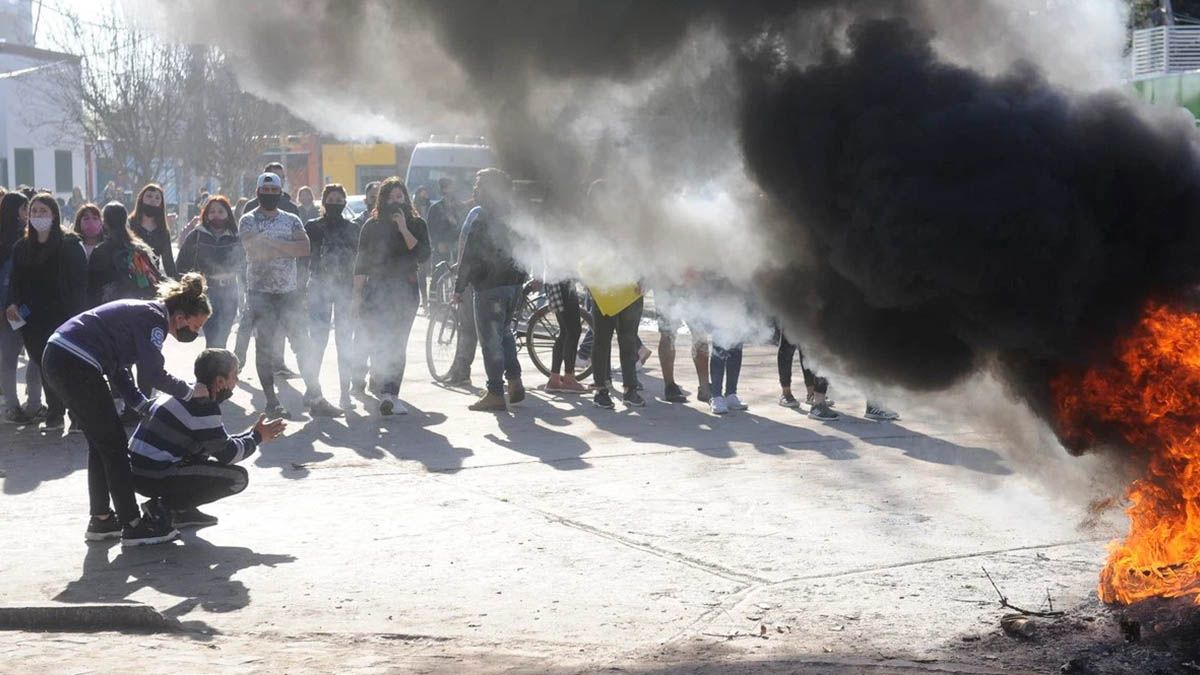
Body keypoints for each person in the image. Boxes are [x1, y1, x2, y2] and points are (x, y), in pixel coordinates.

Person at [42, 273, 211, 547]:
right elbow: (153, 373)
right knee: (114, 445)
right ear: (181, 317)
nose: (196, 331)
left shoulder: (147, 314)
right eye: (197, 325)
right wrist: (190, 391)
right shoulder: (155, 320)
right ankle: (133, 525)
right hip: (75, 362)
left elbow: (118, 367)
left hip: (62, 357)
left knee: (102, 443)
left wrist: (140, 403)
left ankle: (102, 519)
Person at [129, 348, 286, 528]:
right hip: (152, 475)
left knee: (203, 454)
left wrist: (252, 434)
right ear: (220, 381)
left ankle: (181, 509)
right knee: (237, 478)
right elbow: (229, 454)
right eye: (235, 375)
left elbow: (218, 443)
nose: (237, 381)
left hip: (136, 472)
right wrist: (257, 437)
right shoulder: (203, 405)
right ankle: (166, 508)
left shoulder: (183, 391)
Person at [239, 172, 335, 418]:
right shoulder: (248, 220)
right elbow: (254, 251)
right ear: (258, 192)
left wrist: (270, 243)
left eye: (274, 191)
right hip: (260, 294)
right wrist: (286, 247)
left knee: (303, 346)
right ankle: (272, 402)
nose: (270, 195)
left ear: (281, 193)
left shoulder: (291, 219)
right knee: (264, 348)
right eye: (266, 191)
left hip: (289, 294)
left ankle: (316, 397)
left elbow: (304, 248)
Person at [5, 193, 88, 432]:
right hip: (32, 319)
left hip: (64, 316)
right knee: (45, 366)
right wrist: (12, 303)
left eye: (43, 211)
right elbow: (15, 280)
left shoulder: (69, 244)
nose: (38, 215)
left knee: (67, 367)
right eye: (34, 211)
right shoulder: (22, 247)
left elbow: (79, 284)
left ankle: (77, 414)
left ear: (54, 215)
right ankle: (55, 413)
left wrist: (78, 316)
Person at [353, 177, 430, 415]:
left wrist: (404, 228)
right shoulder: (372, 226)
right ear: (382, 200)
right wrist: (356, 296)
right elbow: (361, 264)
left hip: (405, 290)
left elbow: (423, 255)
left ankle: (390, 394)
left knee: (398, 343)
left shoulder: (417, 224)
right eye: (391, 197)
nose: (396, 202)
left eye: (400, 196)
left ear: (406, 198)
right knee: (380, 341)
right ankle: (381, 384)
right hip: (377, 291)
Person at [453, 169, 526, 412]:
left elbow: (469, 256)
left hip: (489, 287)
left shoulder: (482, 217)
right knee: (505, 333)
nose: (475, 189)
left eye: (479, 185)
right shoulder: (513, 214)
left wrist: (459, 287)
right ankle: (514, 382)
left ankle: (495, 392)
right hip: (513, 284)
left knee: (490, 341)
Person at [304, 184, 361, 406]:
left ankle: (345, 393)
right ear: (323, 202)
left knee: (344, 341)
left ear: (344, 203)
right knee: (318, 340)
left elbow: (359, 260)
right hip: (319, 287)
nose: (335, 204)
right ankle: (312, 389)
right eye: (331, 200)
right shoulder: (312, 226)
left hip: (345, 289)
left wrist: (358, 292)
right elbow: (303, 259)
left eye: (339, 200)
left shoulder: (353, 228)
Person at [0, 191, 44, 424]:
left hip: (21, 309)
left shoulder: (32, 239)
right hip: (16, 309)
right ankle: (20, 405)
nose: (28, 214)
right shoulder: (18, 242)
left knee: (26, 356)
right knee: (20, 355)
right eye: (25, 209)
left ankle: (27, 404)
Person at [177, 196, 244, 348]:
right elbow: (181, 264)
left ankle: (217, 361)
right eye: (212, 212)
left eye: (220, 211)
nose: (216, 215)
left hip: (230, 291)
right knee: (213, 337)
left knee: (223, 337)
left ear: (228, 214)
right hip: (207, 291)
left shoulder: (236, 236)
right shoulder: (196, 235)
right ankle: (212, 362)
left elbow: (245, 264)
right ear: (206, 214)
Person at [655, 283, 711, 404]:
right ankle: (670, 385)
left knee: (700, 333)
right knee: (668, 334)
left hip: (693, 285)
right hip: (666, 283)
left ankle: (704, 385)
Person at [129, 184, 177, 279]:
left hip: (153, 279)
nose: (153, 200)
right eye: (149, 196)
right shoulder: (129, 225)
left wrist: (176, 283)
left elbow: (168, 263)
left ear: (161, 204)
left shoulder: (163, 232)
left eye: (157, 198)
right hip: (130, 278)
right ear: (141, 199)